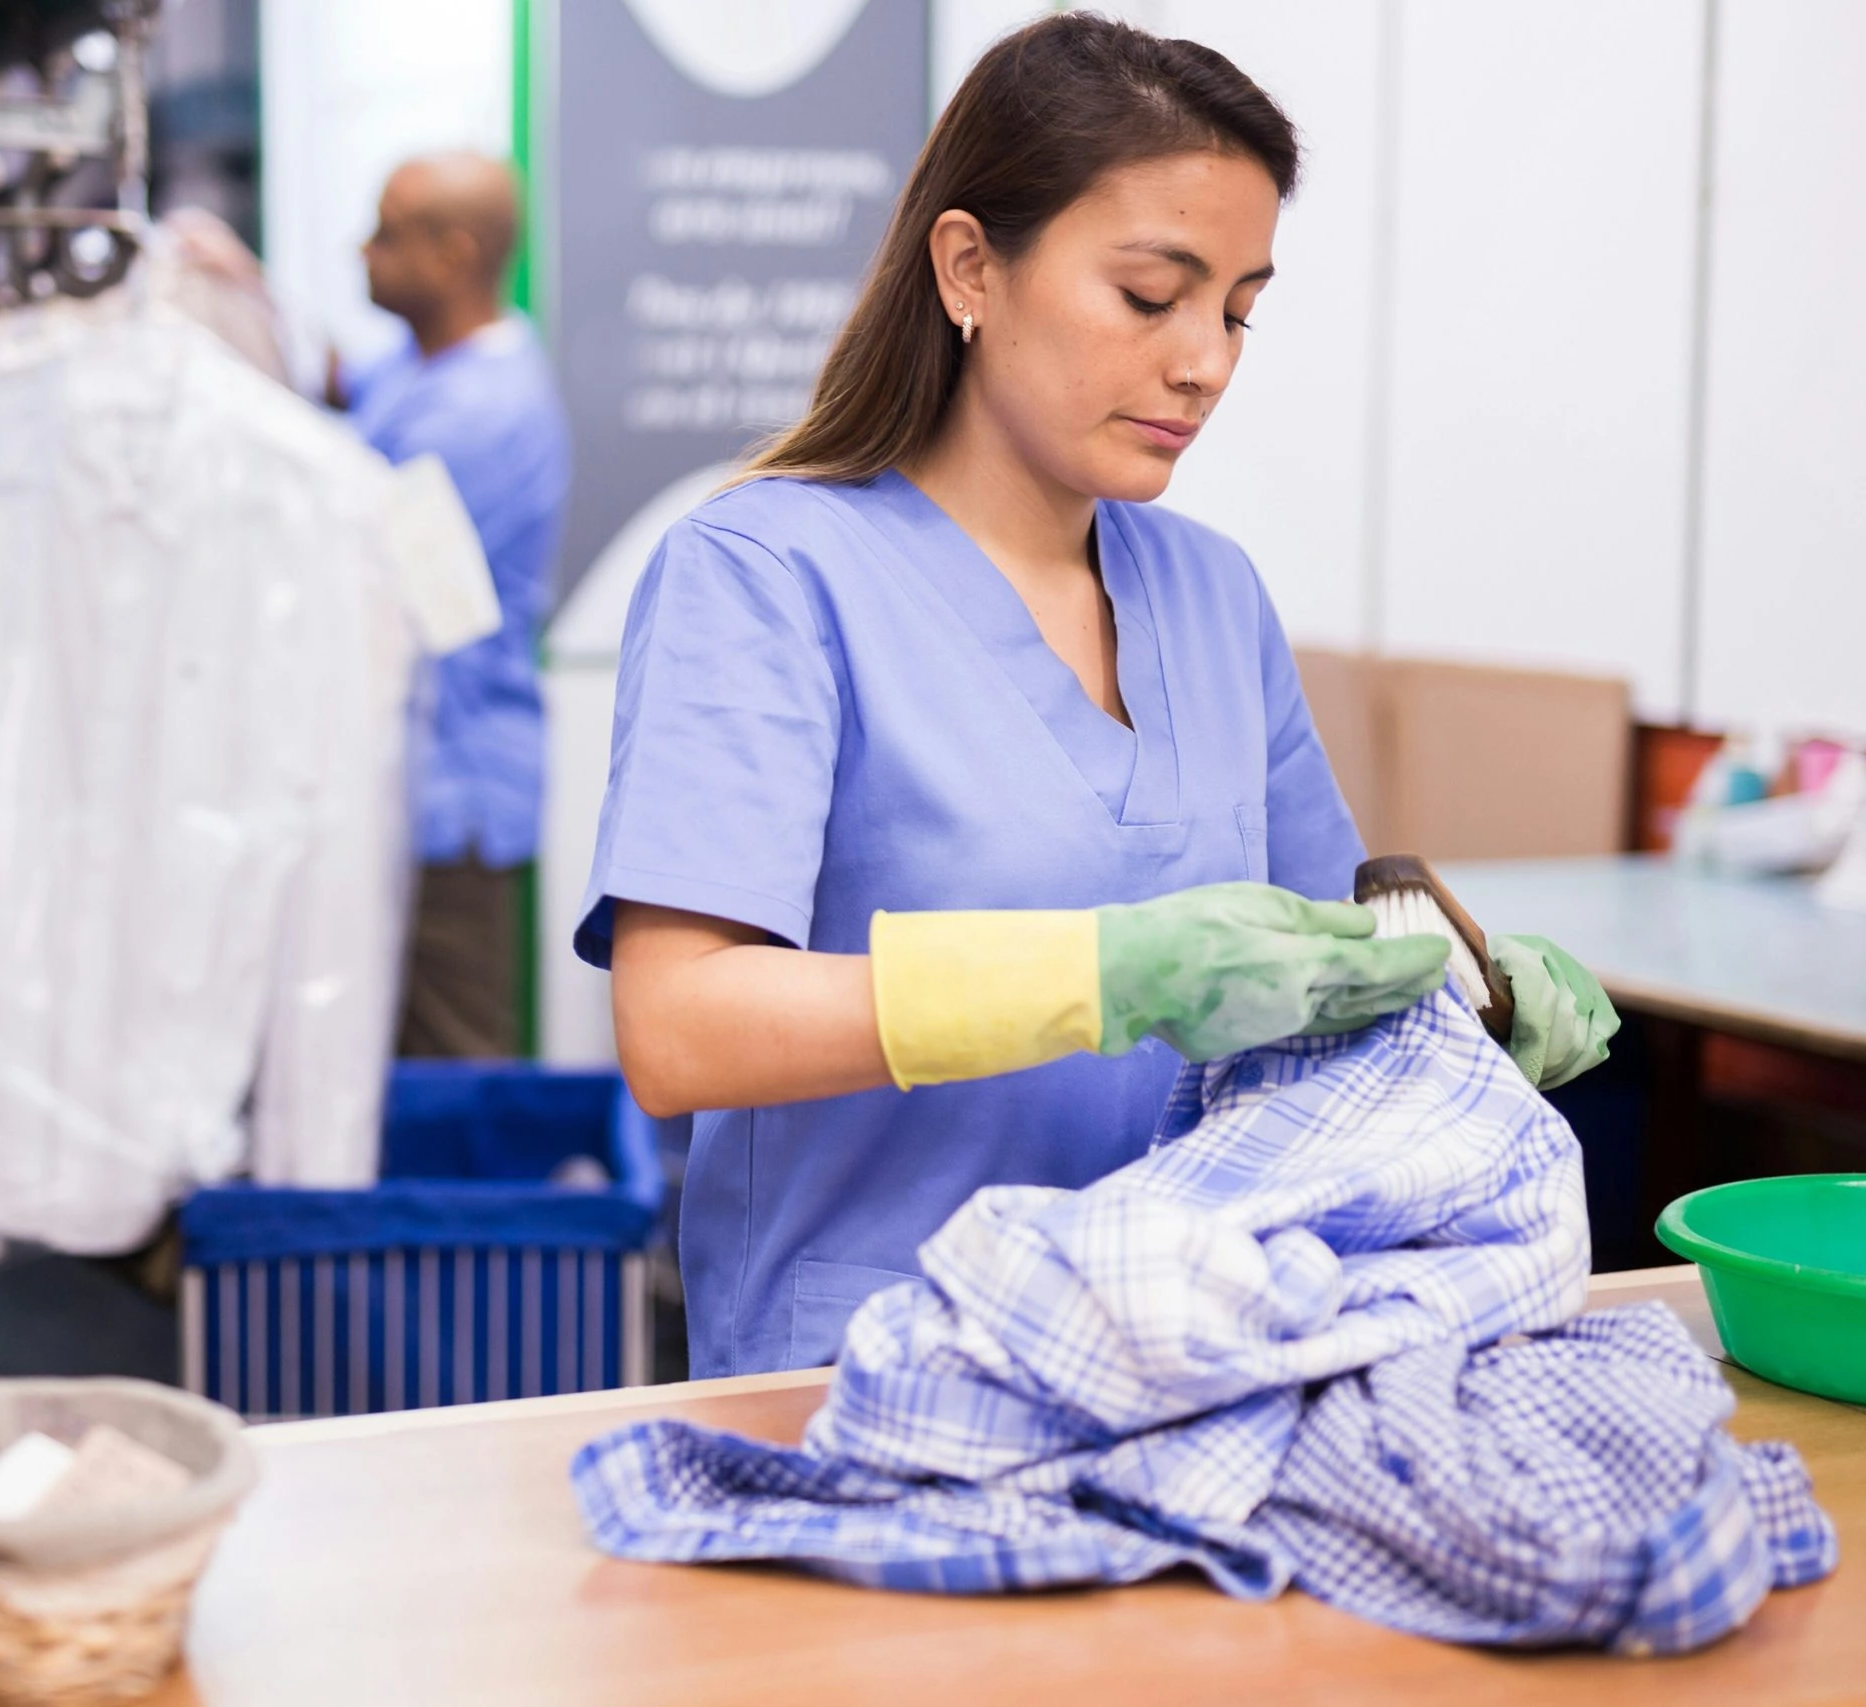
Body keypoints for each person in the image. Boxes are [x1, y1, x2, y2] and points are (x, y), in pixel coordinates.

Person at [576, 15, 1619, 1378]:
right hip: (874, 1362)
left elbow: (1322, 955)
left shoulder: (1210, 595)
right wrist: (1102, 974)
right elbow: (681, 1027)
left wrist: (1462, 996)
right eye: (1151, 295)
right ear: (970, 267)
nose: (1208, 362)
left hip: (1191, 1350)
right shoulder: (766, 572)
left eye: (1239, 309)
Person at [337, 152, 572, 1058]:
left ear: (454, 254)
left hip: (450, 807)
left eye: (387, 234)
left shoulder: (480, 416)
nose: (362, 249)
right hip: (405, 793)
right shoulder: (421, 369)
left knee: (455, 1077)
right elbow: (343, 384)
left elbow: (362, 571)